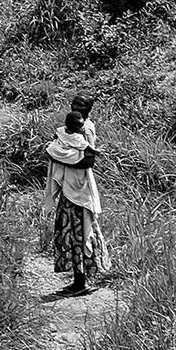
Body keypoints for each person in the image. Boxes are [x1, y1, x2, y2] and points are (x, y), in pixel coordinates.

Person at [45, 107, 111, 296]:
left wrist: (66, 156)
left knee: (79, 236)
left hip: (79, 197)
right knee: (77, 236)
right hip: (71, 195)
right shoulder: (63, 137)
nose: (81, 129)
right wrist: (69, 156)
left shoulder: (82, 135)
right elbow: (51, 152)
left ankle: (80, 282)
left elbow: (88, 160)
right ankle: (79, 280)